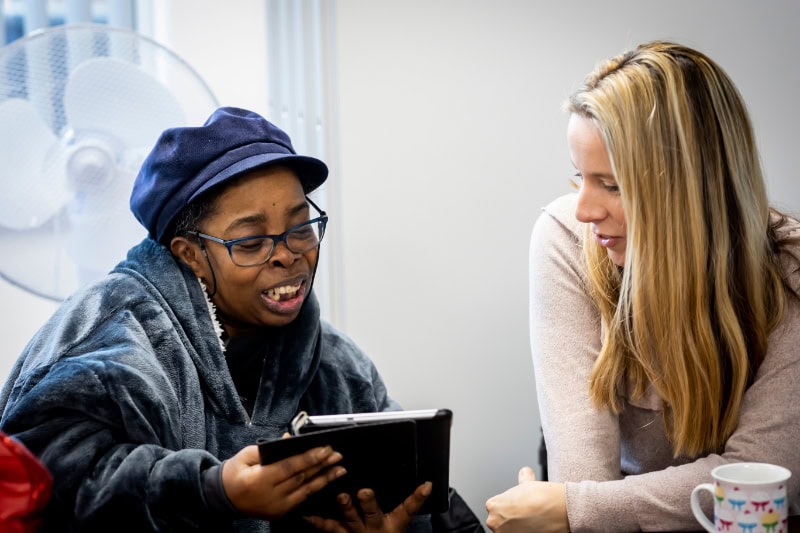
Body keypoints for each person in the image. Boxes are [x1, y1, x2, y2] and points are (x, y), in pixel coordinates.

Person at [0, 107, 479, 533]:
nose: (288, 256)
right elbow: (44, 480)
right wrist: (212, 490)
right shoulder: (113, 335)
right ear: (189, 255)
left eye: (300, 227)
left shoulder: (337, 365)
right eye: (250, 243)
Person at [485, 41, 800, 532]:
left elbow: (761, 480)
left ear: (693, 189)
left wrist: (574, 509)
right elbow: (585, 476)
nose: (586, 210)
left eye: (612, 185)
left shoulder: (789, 270)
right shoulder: (566, 239)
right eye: (580, 178)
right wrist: (582, 507)